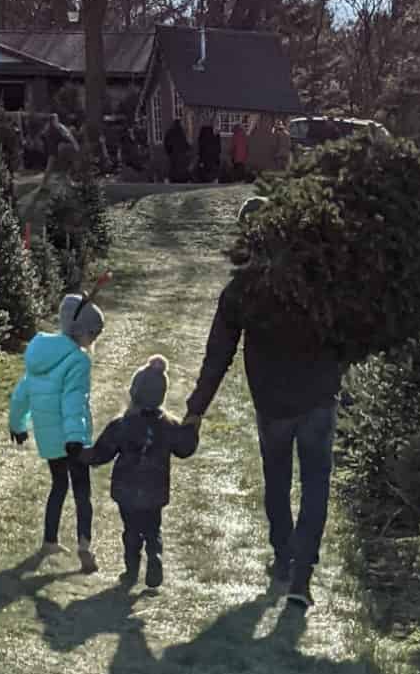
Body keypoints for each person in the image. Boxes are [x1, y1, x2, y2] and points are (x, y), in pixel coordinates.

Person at [185, 197, 342, 613]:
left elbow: (218, 354)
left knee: (277, 479)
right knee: (316, 482)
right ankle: (302, 578)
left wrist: (196, 410)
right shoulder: (317, 278)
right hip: (318, 396)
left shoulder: (241, 289)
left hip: (273, 403)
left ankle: (283, 555)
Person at [8, 289, 106, 573]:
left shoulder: (39, 356)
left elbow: (21, 394)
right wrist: (76, 438)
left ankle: (50, 541)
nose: (95, 341)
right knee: (82, 491)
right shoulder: (78, 360)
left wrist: (17, 424)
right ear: (82, 332)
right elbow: (73, 401)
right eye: (94, 334)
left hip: (49, 439)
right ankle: (84, 545)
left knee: (58, 486)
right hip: (72, 438)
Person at [86, 355, 199, 590]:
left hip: (126, 489)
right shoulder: (169, 425)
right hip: (155, 488)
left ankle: (131, 571)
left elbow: (101, 453)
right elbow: (185, 449)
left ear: (133, 392)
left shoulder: (122, 424)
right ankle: (155, 555)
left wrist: (79, 453)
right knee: (152, 527)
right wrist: (192, 428)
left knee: (131, 530)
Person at [164, 117, 191, 184]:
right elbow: (186, 145)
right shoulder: (181, 133)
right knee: (181, 169)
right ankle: (183, 179)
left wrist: (169, 153)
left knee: (173, 168)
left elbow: (166, 144)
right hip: (181, 156)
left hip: (173, 155)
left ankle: (173, 179)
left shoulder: (169, 132)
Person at [194, 119, 222, 185]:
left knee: (204, 172)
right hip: (212, 159)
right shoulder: (215, 136)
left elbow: (200, 148)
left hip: (205, 159)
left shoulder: (203, 135)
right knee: (211, 172)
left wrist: (200, 159)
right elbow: (218, 148)